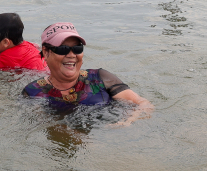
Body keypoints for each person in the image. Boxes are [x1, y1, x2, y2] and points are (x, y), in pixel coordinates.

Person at [23, 22, 153, 126]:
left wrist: (129, 121)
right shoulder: (33, 92)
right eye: (63, 49)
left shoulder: (100, 78)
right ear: (46, 52)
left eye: (77, 48)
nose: (72, 55)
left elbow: (143, 104)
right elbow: (41, 126)